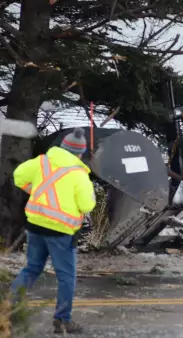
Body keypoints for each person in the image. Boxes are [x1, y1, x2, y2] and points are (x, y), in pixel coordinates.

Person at [10, 128, 96, 334]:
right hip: (60, 231)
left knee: (31, 269)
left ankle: (8, 309)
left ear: (62, 147)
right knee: (66, 276)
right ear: (79, 153)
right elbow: (87, 206)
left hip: (35, 226)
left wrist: (37, 192)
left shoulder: (41, 162)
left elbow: (18, 175)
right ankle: (62, 320)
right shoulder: (78, 174)